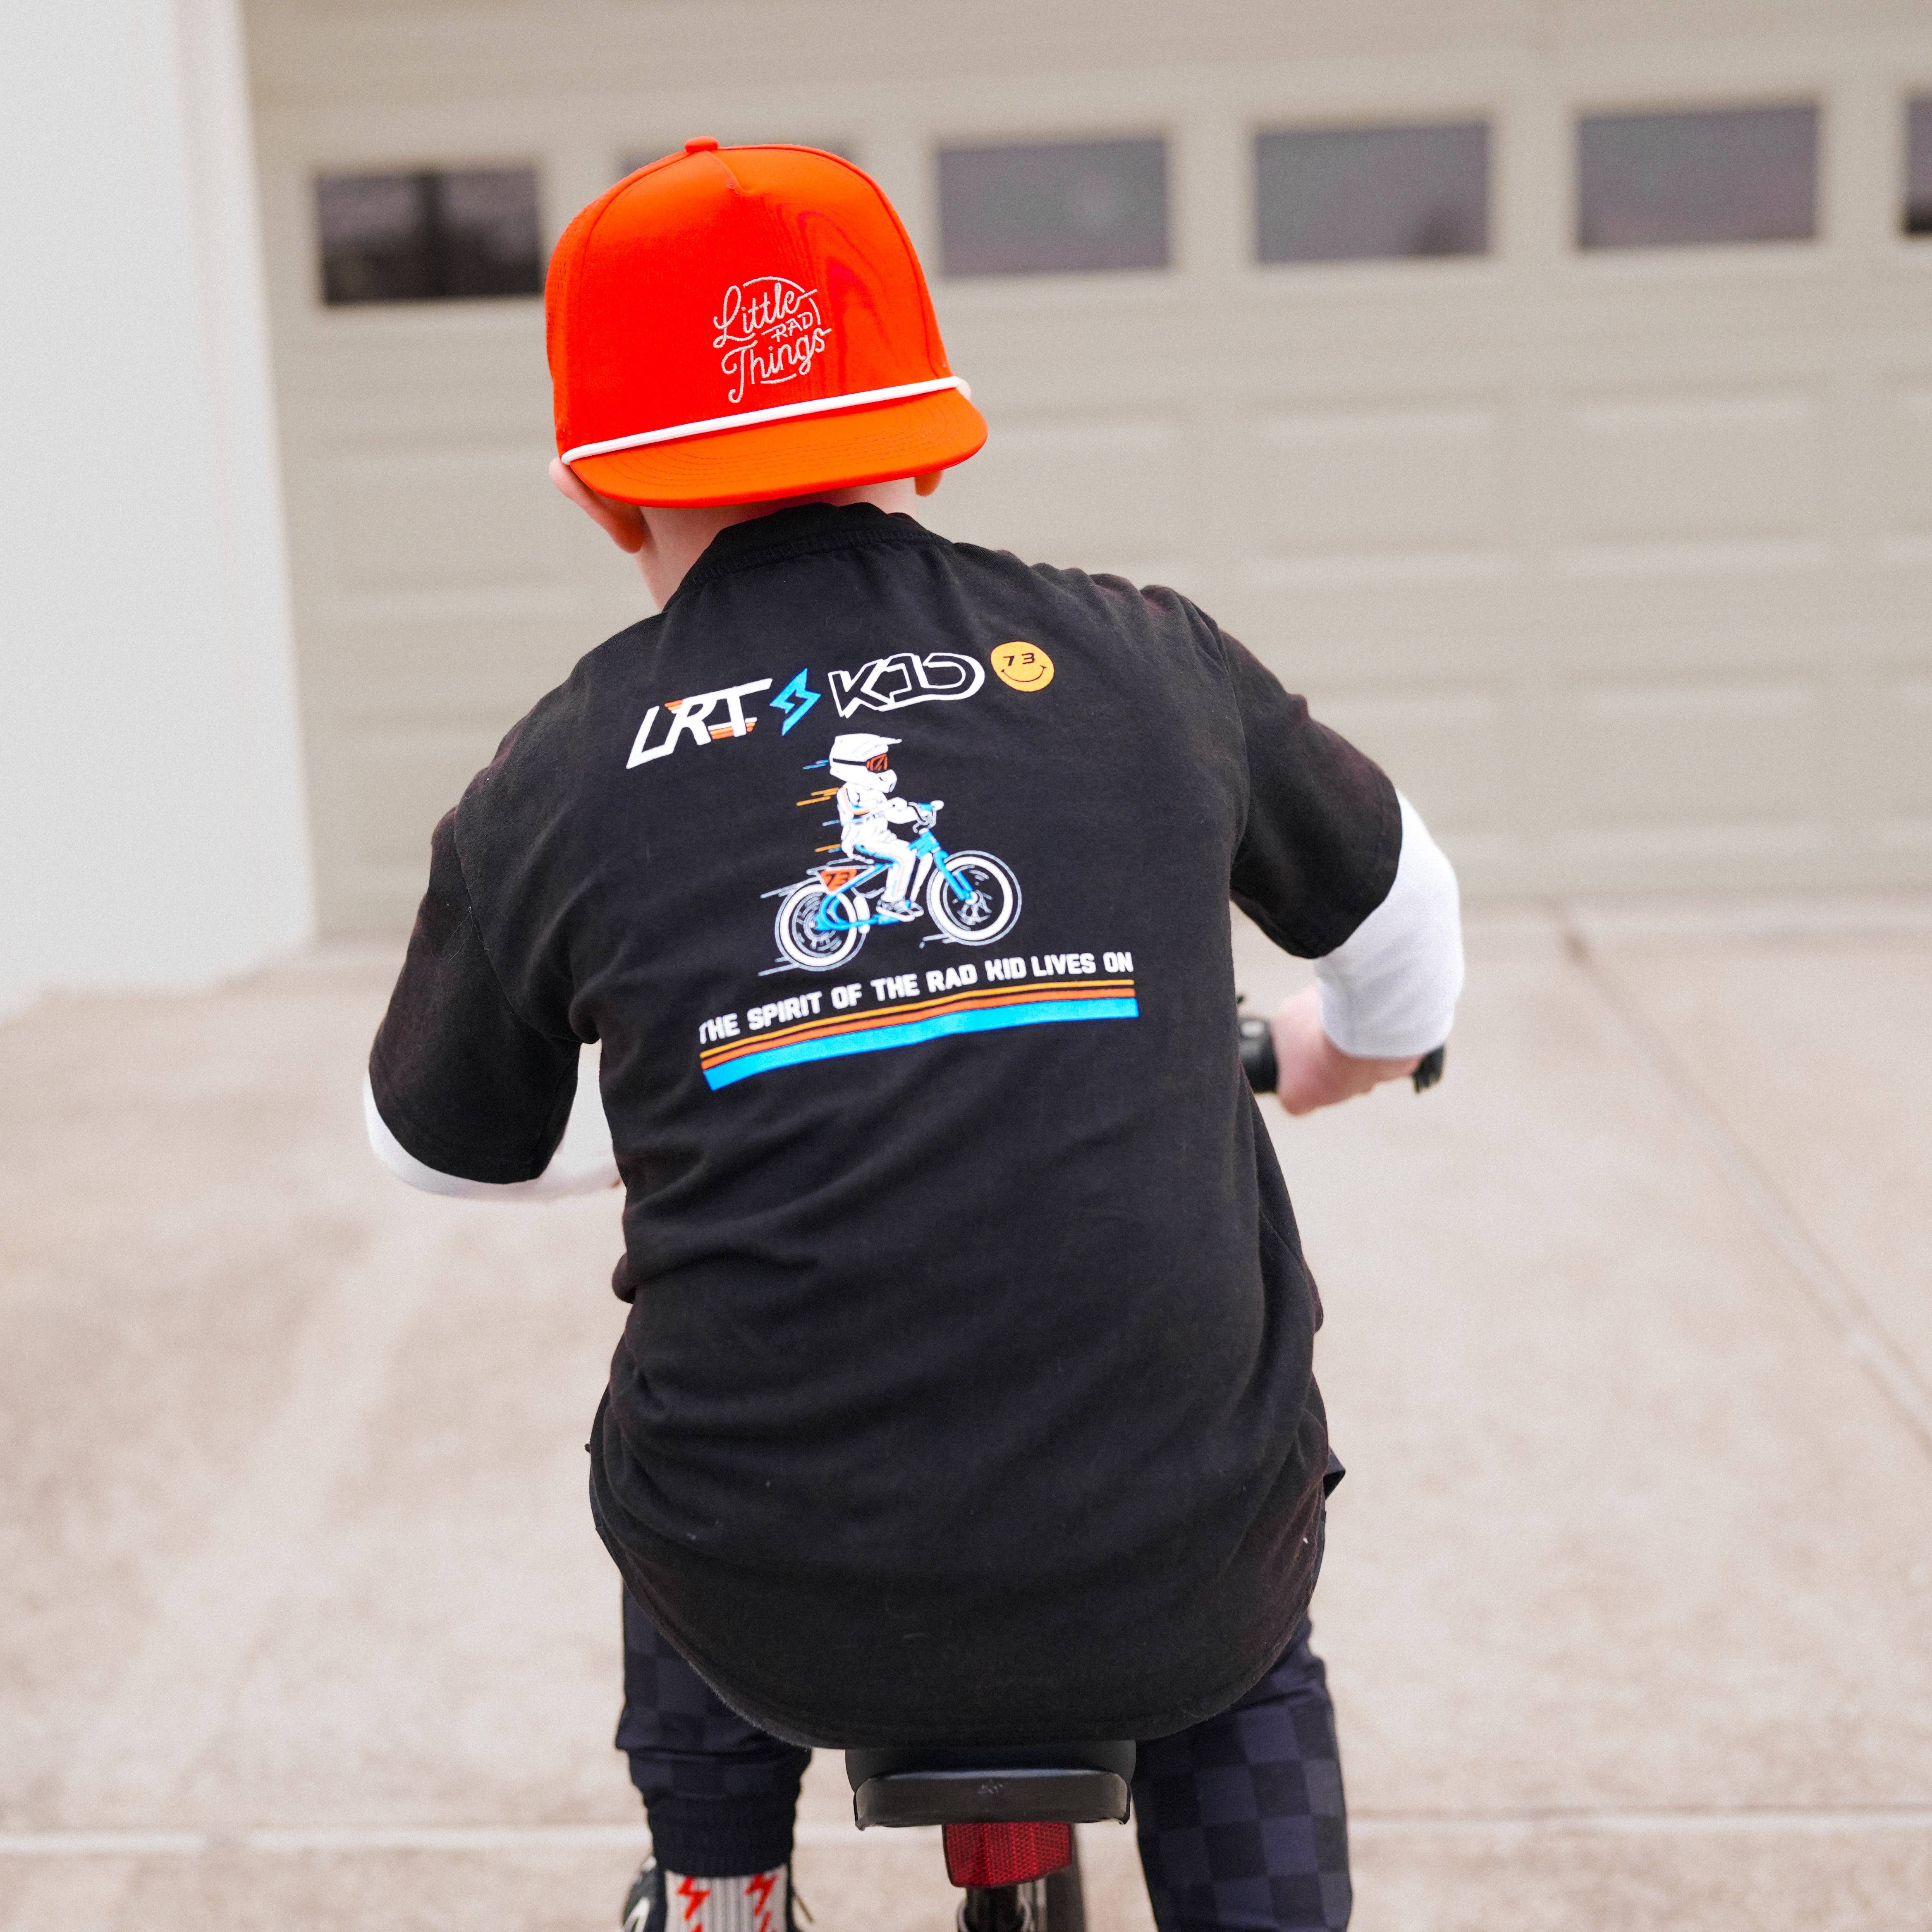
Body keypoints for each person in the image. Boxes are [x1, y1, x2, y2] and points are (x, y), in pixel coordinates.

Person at [363, 139, 1463, 1932]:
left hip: (782, 1609)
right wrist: (1347, 1050)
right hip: (1169, 1574)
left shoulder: (559, 768)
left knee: (687, 1441)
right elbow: (1407, 934)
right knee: (1242, 1637)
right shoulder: (1143, 658)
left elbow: (440, 1146)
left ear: (603, 492)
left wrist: (690, 1095)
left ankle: (720, 1879)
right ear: (932, 434)